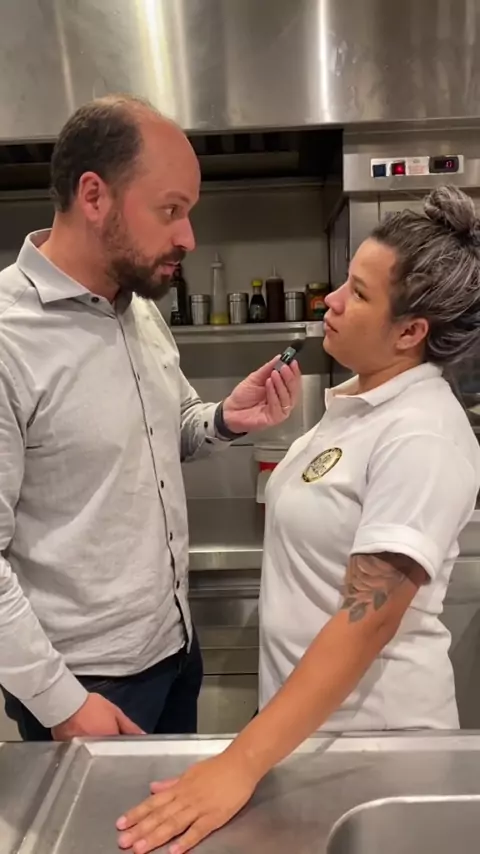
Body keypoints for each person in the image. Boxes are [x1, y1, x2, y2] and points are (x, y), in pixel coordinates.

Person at [117, 185, 480, 854]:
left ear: (410, 332)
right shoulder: (357, 404)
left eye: (358, 294)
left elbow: (367, 621)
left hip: (377, 751)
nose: (331, 301)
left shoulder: (422, 433)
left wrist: (240, 761)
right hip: (311, 733)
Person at [0, 95, 301, 742]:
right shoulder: (7, 336)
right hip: (85, 685)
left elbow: (173, 423)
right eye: (171, 210)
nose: (188, 238)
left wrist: (223, 419)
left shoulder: (138, 309)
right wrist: (60, 703)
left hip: (175, 648)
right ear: (94, 196)